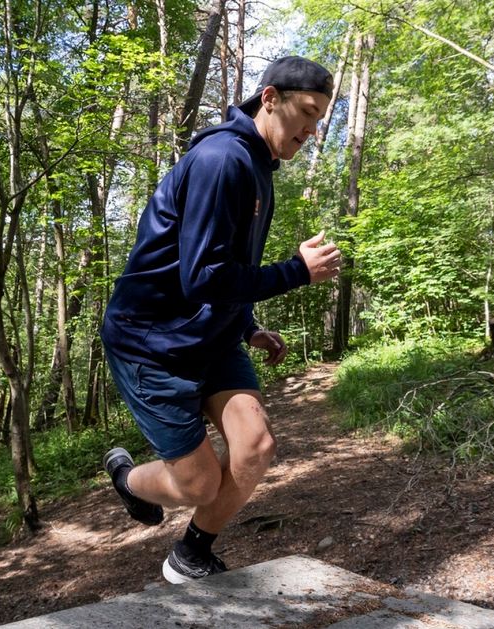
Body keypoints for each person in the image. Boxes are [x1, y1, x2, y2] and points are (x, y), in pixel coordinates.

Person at [100, 56, 343, 584]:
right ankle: (126, 477)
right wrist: (297, 272)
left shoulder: (259, 166)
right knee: (197, 486)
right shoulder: (221, 159)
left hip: (211, 332)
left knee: (255, 446)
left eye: (320, 119)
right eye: (306, 112)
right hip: (152, 341)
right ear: (270, 98)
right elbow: (203, 276)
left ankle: (190, 553)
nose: (311, 129)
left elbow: (232, 265)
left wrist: (247, 324)